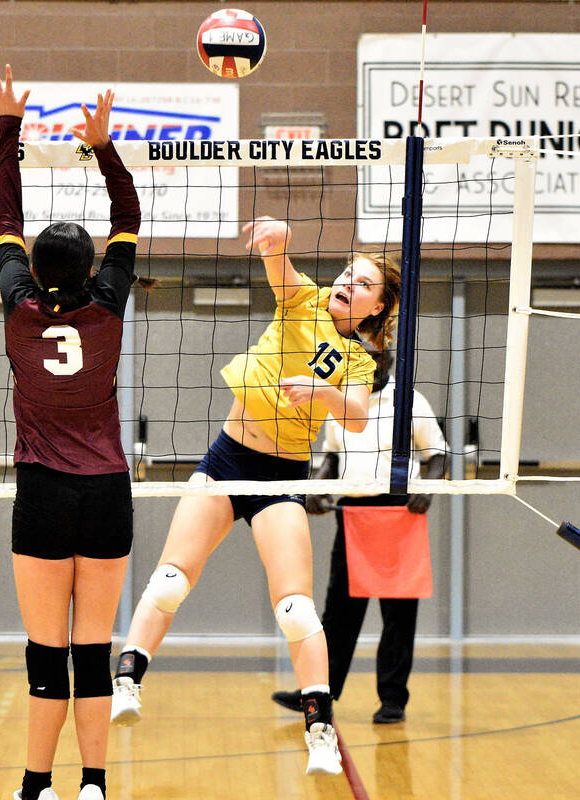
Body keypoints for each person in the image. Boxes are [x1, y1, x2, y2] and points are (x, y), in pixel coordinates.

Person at [111, 217, 401, 776]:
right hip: (227, 463)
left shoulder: (360, 361)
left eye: (363, 283)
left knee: (294, 610)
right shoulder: (306, 301)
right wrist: (278, 241)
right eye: (348, 272)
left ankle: (319, 731)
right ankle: (127, 680)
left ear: (376, 309)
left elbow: (360, 418)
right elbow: (280, 270)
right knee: (171, 578)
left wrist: (322, 390)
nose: (347, 282)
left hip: (281, 478)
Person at [0, 62, 140, 800]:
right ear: (91, 268)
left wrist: (9, 126)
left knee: (47, 652)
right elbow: (128, 214)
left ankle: (33, 784)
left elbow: (5, 218)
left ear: (35, 269)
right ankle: (96, 785)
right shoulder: (108, 304)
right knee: (92, 648)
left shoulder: (16, 306)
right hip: (106, 490)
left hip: (41, 491)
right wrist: (104, 145)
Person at [270, 346, 447, 724]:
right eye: (363, 354)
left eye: (378, 355)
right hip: (352, 514)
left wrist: (427, 489)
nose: (371, 361)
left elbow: (438, 455)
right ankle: (319, 695)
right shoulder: (342, 401)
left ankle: (393, 700)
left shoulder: (410, 401)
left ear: (390, 359)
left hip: (399, 515)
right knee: (338, 614)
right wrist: (318, 488)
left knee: (399, 614)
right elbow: (332, 458)